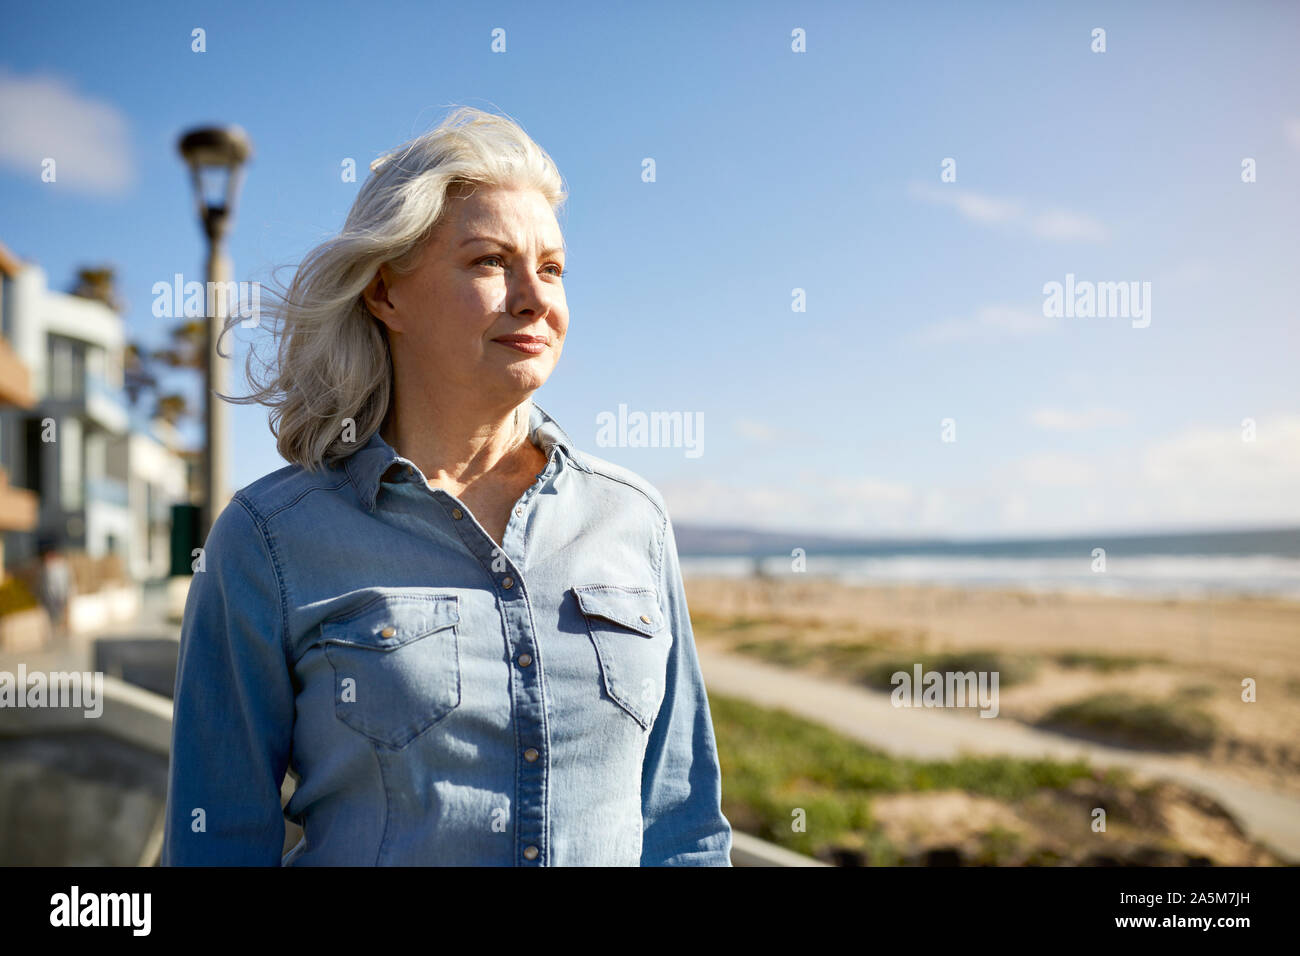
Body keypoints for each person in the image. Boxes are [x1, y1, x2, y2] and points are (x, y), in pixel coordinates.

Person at [161, 106, 732, 866]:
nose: (535, 298)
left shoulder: (631, 518)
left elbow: (682, 829)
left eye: (553, 267)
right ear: (385, 294)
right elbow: (217, 846)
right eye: (490, 261)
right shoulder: (269, 540)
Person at [36, 536, 72, 646]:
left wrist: (65, 594)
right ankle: (51, 633)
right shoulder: (47, 567)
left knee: (61, 614)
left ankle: (62, 630)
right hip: (49, 597)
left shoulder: (60, 566)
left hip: (58, 595)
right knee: (51, 617)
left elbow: (63, 583)